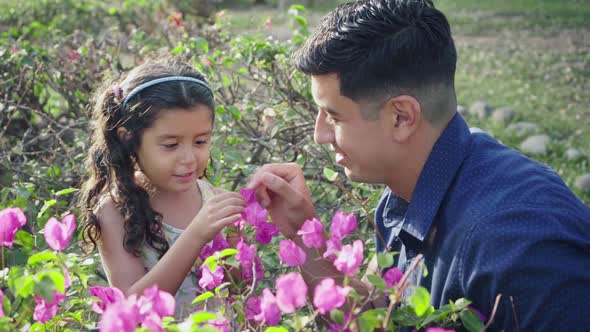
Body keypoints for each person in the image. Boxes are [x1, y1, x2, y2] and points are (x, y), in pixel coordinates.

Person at [247, 0, 590, 330]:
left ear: (402, 117)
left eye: (334, 117)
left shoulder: (518, 244)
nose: (320, 135)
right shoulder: (410, 186)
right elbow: (376, 317)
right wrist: (305, 235)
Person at [78, 57, 245, 319]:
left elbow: (238, 290)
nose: (188, 158)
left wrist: (238, 238)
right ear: (129, 139)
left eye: (200, 141)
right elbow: (131, 312)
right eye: (170, 145)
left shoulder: (214, 200)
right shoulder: (116, 211)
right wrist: (197, 234)